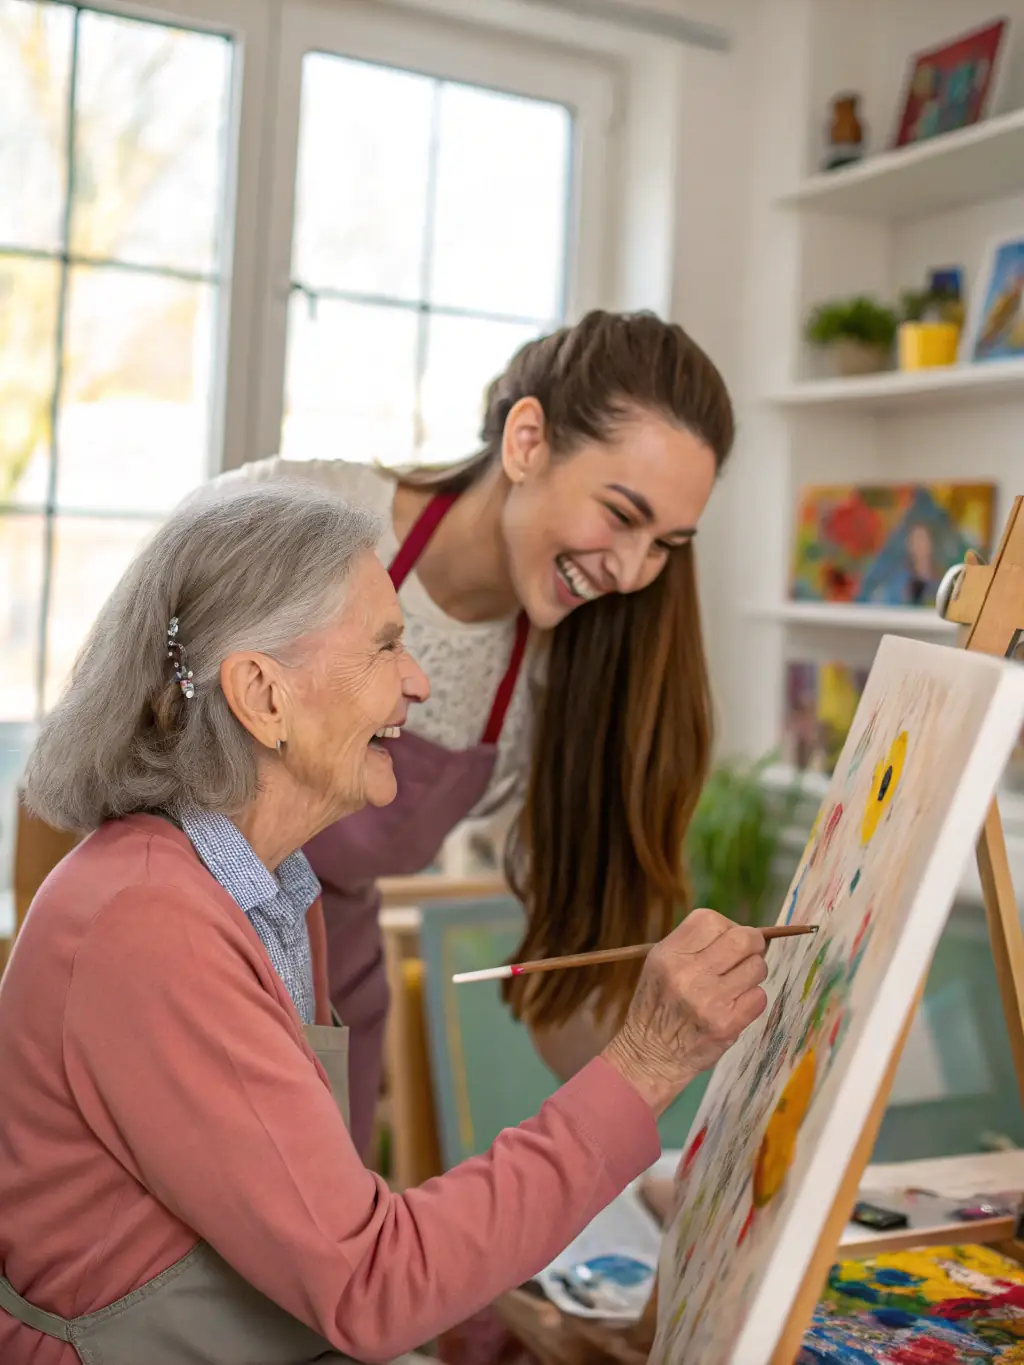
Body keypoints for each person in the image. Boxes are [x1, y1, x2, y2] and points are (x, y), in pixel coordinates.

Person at [0, 482, 768, 1365]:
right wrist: (646, 1063)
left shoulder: (271, 891)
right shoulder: (148, 925)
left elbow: (324, 1232)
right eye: (386, 646)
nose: (419, 681)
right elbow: (369, 1283)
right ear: (263, 695)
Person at [211, 308, 736, 1157]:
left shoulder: (570, 669)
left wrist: (683, 1093)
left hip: (331, 992)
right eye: (620, 514)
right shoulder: (294, 514)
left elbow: (574, 1013)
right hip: (171, 963)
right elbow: (73, 766)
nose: (633, 572)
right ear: (527, 440)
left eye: (666, 544)